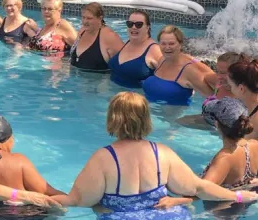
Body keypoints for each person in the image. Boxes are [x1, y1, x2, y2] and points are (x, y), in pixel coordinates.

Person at [52, 92, 258, 219]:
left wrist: (35, 197)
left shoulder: (103, 159)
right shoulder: (162, 153)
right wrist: (238, 196)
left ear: (112, 119)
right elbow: (199, 187)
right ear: (145, 119)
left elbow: (79, 200)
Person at [157, 97, 258, 210]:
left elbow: (204, 190)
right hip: (244, 203)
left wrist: (177, 201)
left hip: (221, 208)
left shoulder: (225, 158)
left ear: (216, 123)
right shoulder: (254, 145)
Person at [142, 26, 215, 106]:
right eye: (163, 43)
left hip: (172, 117)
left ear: (180, 44)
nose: (167, 47)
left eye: (171, 43)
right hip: (150, 113)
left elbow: (212, 98)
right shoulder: (162, 60)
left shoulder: (188, 70)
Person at [108, 10, 163, 88]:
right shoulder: (128, 43)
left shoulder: (155, 50)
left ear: (147, 27)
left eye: (139, 24)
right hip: (112, 96)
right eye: (130, 24)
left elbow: (168, 78)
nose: (134, 27)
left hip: (135, 98)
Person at [71, 3, 124, 71]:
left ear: (100, 18)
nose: (84, 21)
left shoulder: (109, 37)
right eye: (83, 17)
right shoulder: (82, 31)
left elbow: (125, 64)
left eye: (89, 18)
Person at [228, 58, 258, 140]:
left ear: (241, 89)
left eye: (231, 86)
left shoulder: (256, 122)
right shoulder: (249, 109)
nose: (231, 89)